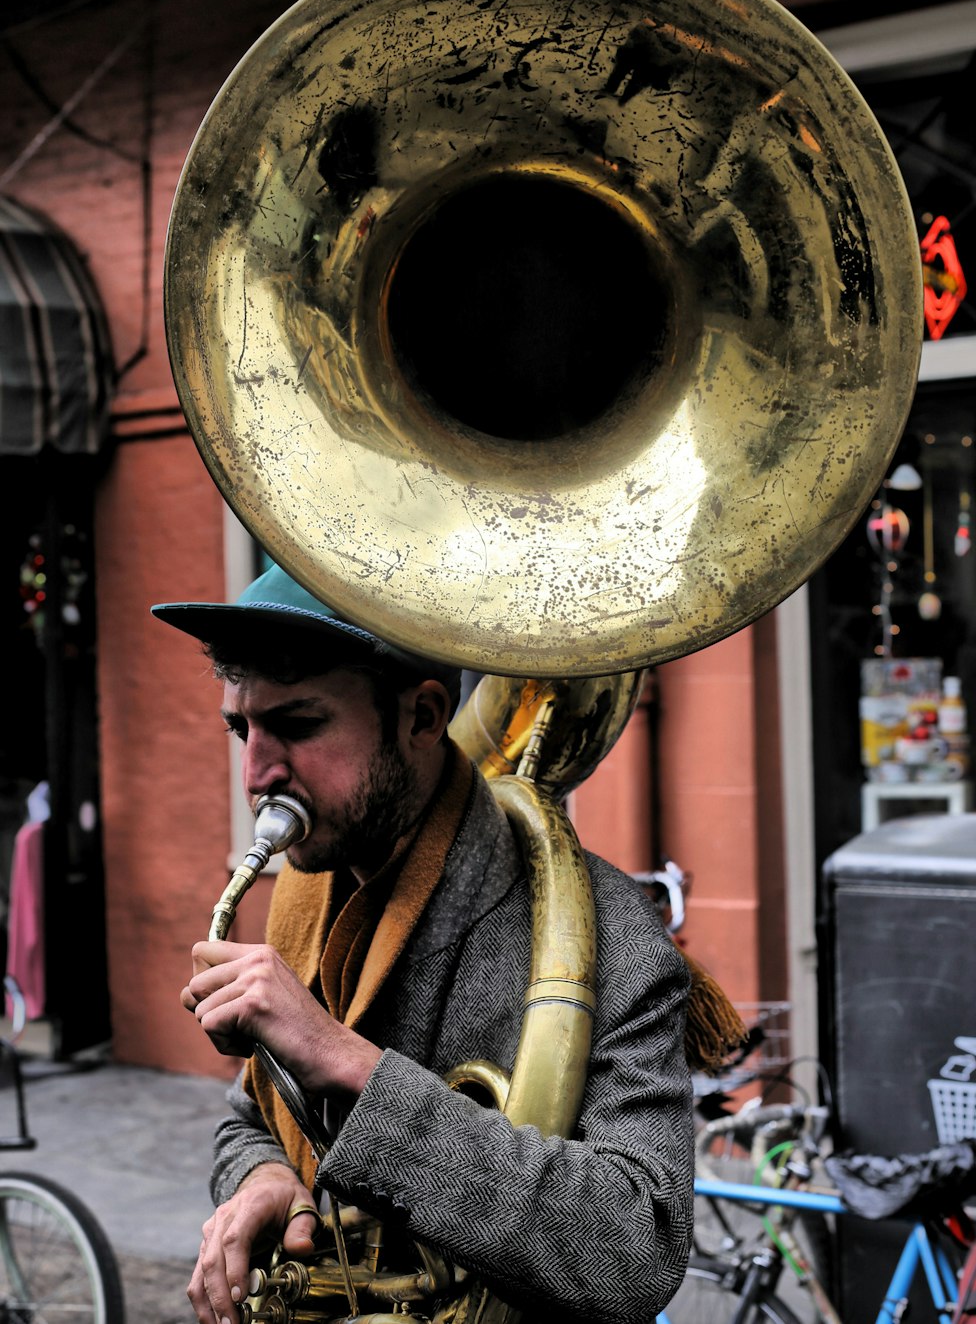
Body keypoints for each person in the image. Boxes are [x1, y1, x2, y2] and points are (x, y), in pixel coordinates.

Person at [154, 560, 694, 1324]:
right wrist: (261, 1176)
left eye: (298, 726)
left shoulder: (606, 930)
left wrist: (352, 1065)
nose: (258, 773)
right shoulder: (307, 896)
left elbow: (637, 1250)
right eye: (242, 728)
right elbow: (251, 1116)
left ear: (422, 716)